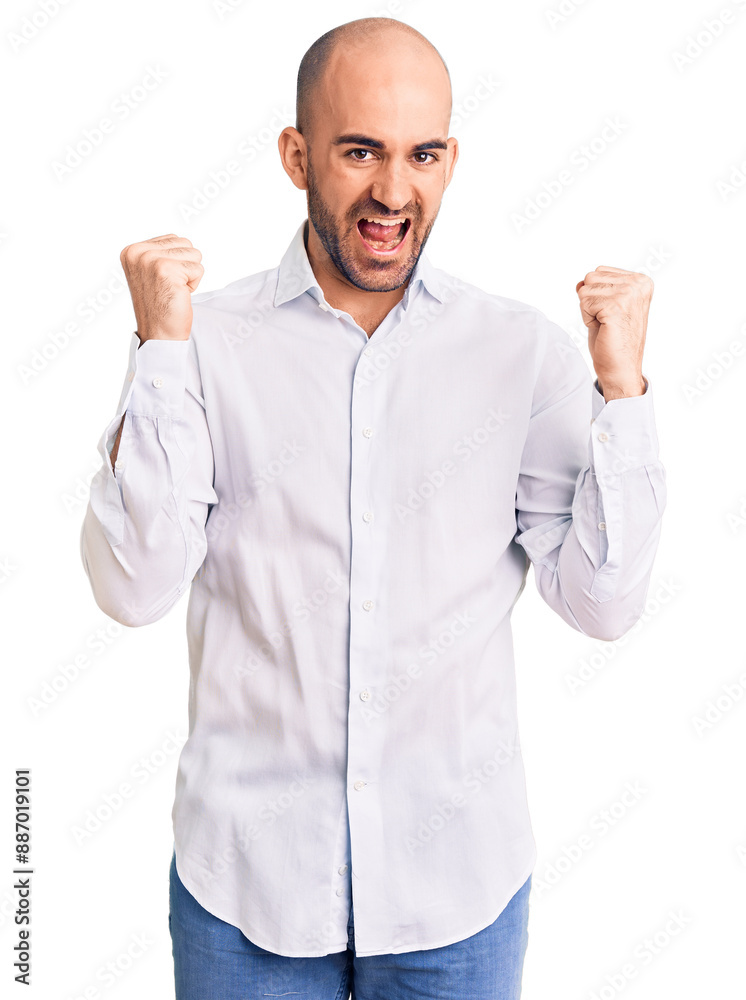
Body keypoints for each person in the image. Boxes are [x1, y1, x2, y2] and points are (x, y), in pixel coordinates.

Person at [80, 16, 666, 1000]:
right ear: (295, 155)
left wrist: (623, 392)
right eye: (359, 152)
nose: (394, 191)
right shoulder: (202, 342)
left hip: (457, 900)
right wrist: (161, 353)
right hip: (245, 894)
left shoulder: (519, 354)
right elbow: (133, 587)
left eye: (421, 154)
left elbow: (602, 605)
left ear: (448, 159)